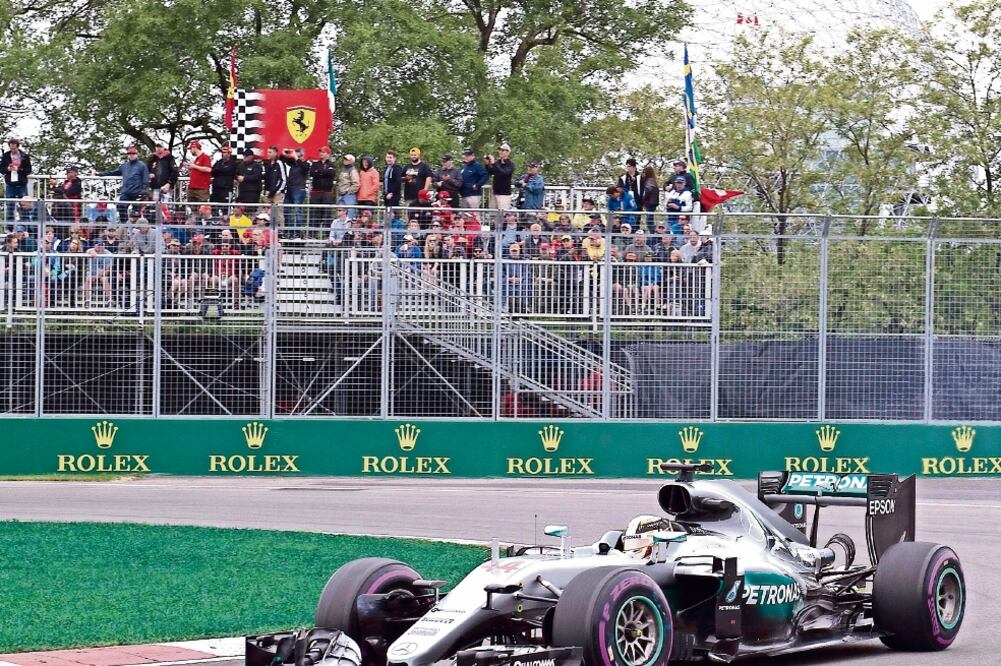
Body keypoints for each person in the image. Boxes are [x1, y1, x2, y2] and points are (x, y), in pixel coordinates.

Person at [98, 145, 150, 221]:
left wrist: (144, 191)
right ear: (128, 155)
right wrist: (100, 174)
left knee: (136, 214)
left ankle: (136, 229)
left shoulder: (142, 165)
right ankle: (124, 226)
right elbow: (113, 172)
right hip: (126, 192)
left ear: (136, 154)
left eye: (133, 154)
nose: (131, 155)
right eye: (130, 154)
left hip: (137, 192)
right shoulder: (124, 166)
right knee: (121, 207)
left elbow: (145, 179)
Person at [1, 138, 31, 225]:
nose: (12, 150)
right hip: (10, 185)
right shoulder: (6, 156)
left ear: (17, 147)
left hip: (21, 184)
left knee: (24, 206)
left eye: (14, 148)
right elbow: (1, 168)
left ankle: (25, 227)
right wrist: (8, 169)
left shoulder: (24, 156)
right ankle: (9, 228)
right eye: (11, 148)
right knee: (10, 207)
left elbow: (28, 170)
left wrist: (18, 169)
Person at [310, 145, 337, 227]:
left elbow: (332, 174)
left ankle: (327, 235)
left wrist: (319, 172)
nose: (321, 153)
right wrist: (324, 171)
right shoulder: (315, 164)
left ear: (328, 154)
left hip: (327, 193)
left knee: (327, 213)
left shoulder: (332, 165)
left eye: (323, 152)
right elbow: (312, 173)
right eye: (320, 152)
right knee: (314, 213)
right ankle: (312, 234)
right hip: (316, 192)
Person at [263, 146, 290, 226]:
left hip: (277, 193)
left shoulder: (280, 163)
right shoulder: (267, 163)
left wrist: (277, 191)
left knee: (278, 213)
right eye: (268, 152)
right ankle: (267, 231)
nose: (268, 154)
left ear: (275, 153)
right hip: (268, 192)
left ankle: (281, 232)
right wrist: (266, 191)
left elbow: (284, 179)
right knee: (266, 212)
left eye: (270, 152)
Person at [484, 143, 515, 212]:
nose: (500, 152)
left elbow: (504, 173)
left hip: (504, 193)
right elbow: (490, 172)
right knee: (493, 214)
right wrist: (487, 164)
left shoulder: (510, 164)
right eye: (500, 150)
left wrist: (493, 163)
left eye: (503, 150)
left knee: (502, 214)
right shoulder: (497, 162)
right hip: (495, 191)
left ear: (508, 152)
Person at [285, 148, 310, 230]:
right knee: (286, 210)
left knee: (297, 211)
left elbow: (303, 167)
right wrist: (285, 152)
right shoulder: (293, 163)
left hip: (299, 189)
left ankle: (298, 231)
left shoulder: (306, 164)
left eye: (297, 153)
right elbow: (285, 159)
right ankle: (288, 231)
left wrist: (296, 157)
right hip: (289, 188)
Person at [336, 153, 360, 218]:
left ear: (352, 161)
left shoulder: (353, 171)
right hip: (341, 195)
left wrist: (348, 191)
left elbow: (356, 184)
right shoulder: (343, 170)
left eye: (347, 159)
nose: (345, 160)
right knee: (340, 215)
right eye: (345, 159)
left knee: (350, 214)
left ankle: (349, 227)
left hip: (349, 196)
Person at [640, 166, 660, 233]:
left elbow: (647, 191)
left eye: (644, 172)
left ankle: (653, 233)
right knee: (649, 219)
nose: (643, 174)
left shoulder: (650, 181)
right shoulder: (652, 180)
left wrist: (642, 199)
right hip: (652, 202)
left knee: (649, 221)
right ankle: (653, 233)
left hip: (650, 203)